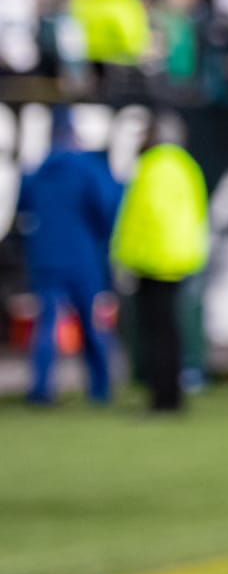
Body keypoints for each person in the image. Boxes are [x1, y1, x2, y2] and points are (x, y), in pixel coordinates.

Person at [16, 107, 121, 405]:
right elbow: (106, 208)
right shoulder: (87, 169)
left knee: (47, 325)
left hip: (46, 257)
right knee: (92, 324)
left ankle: (41, 390)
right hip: (82, 256)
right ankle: (100, 389)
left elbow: (24, 210)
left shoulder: (38, 171)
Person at [111, 114, 210, 412]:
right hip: (177, 260)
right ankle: (171, 395)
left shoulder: (153, 167)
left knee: (158, 335)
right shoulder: (185, 166)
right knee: (170, 333)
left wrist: (127, 258)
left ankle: (162, 398)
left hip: (153, 263)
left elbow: (142, 220)